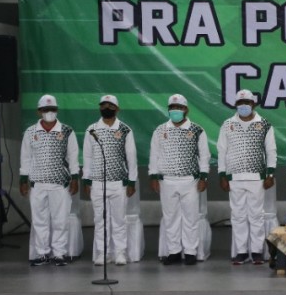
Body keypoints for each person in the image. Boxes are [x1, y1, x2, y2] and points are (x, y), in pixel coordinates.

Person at [149, 94, 210, 265]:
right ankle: (174, 251)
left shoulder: (197, 130)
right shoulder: (160, 130)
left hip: (190, 181)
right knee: (170, 218)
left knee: (191, 217)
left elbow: (204, 155)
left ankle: (190, 252)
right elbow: (154, 155)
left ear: (186, 110)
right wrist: (153, 176)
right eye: (172, 108)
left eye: (179, 108)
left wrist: (204, 176)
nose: (175, 110)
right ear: (168, 110)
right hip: (166, 180)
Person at [218, 89, 277, 266]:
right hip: (234, 177)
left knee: (256, 215)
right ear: (235, 105)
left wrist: (270, 174)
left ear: (253, 104)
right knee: (238, 216)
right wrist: (222, 175)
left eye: (247, 103)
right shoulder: (227, 124)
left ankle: (257, 252)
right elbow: (222, 151)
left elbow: (271, 150)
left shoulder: (264, 124)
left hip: (257, 177)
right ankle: (241, 252)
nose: (243, 106)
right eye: (240, 103)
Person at [20, 94, 79, 266]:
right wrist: (23, 180)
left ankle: (59, 254)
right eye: (46, 110)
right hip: (37, 184)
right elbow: (26, 158)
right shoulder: (30, 132)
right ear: (39, 111)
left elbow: (73, 156)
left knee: (60, 220)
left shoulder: (67, 131)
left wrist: (75, 177)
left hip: (60, 184)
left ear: (57, 110)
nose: (49, 112)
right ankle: (42, 254)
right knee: (40, 221)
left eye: (52, 109)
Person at [83, 94, 137, 266]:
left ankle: (120, 252)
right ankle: (103, 253)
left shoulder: (125, 130)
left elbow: (131, 157)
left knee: (119, 219)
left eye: (110, 106)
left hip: (118, 183)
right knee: (100, 220)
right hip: (97, 183)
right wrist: (87, 179)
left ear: (117, 109)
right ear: (100, 108)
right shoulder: (91, 130)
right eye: (104, 105)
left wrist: (132, 181)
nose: (106, 108)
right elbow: (87, 156)